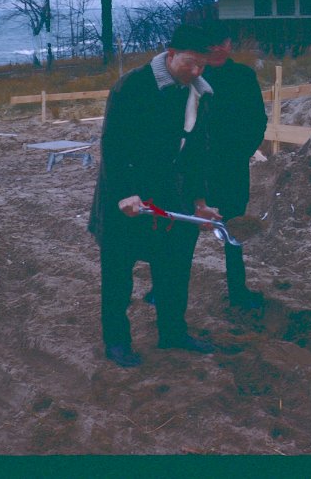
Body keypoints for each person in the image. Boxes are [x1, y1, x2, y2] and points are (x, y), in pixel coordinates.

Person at [88, 24, 221, 368]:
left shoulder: (199, 94)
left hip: (170, 196)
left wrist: (200, 201)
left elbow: (197, 153)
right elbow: (114, 145)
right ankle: (116, 341)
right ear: (171, 54)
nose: (196, 72)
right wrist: (124, 193)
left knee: (175, 268)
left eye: (202, 66)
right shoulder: (133, 85)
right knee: (118, 272)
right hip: (126, 195)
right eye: (190, 64)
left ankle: (173, 332)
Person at [144, 23, 268, 309]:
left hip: (232, 168)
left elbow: (256, 122)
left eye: (223, 42)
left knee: (234, 230)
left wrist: (240, 153)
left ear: (228, 45)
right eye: (213, 44)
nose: (219, 48)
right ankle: (161, 289)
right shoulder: (190, 76)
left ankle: (238, 291)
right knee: (178, 230)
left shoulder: (243, 76)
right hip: (190, 169)